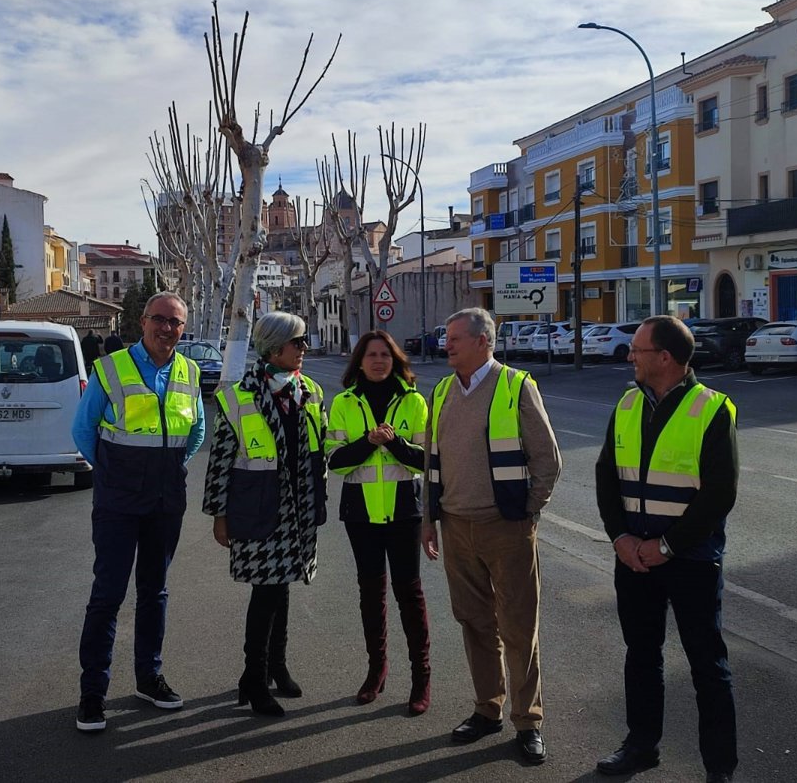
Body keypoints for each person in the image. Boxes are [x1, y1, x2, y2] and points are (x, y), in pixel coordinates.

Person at [594, 315, 738, 783]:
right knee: (641, 655)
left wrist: (668, 546)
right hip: (634, 559)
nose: (630, 356)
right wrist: (621, 538)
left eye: (637, 349)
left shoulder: (712, 408)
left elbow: (720, 493)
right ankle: (641, 746)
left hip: (690, 559)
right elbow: (606, 475)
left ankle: (719, 768)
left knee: (707, 666)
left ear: (665, 357)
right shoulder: (628, 402)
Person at [421, 307, 562, 765]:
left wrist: (527, 511)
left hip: (506, 527)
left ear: (483, 341)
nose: (446, 344)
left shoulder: (516, 386)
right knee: (475, 622)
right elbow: (431, 461)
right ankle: (487, 709)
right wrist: (428, 519)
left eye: (455, 338)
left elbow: (547, 458)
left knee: (518, 627)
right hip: (455, 525)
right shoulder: (442, 390)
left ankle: (528, 721)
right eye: (447, 338)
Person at [71, 292, 206, 733]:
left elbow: (197, 429)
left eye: (175, 322)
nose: (166, 328)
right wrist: (115, 472)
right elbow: (83, 429)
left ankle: (149, 678)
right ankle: (93, 693)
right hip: (118, 499)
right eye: (159, 320)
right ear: (143, 321)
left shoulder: (189, 371)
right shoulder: (110, 368)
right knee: (108, 594)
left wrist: (169, 467)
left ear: (183, 329)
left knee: (155, 591)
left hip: (166, 498)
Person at [203, 312, 328, 718]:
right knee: (266, 592)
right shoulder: (239, 396)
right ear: (274, 348)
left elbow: (320, 451)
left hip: (299, 508)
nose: (304, 348)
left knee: (282, 585)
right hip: (259, 505)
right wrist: (219, 514)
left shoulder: (310, 391)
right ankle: (254, 678)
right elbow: (220, 462)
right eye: (298, 342)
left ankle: (277, 666)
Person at [326, 331, 431, 715]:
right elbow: (334, 461)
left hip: (404, 512)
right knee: (371, 595)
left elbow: (427, 460)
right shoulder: (344, 403)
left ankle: (421, 678)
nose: (378, 361)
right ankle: (376, 671)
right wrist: (369, 442)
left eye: (385, 354)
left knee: (409, 595)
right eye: (371, 355)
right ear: (359, 361)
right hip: (361, 514)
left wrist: (394, 443)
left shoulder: (414, 401)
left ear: (395, 359)